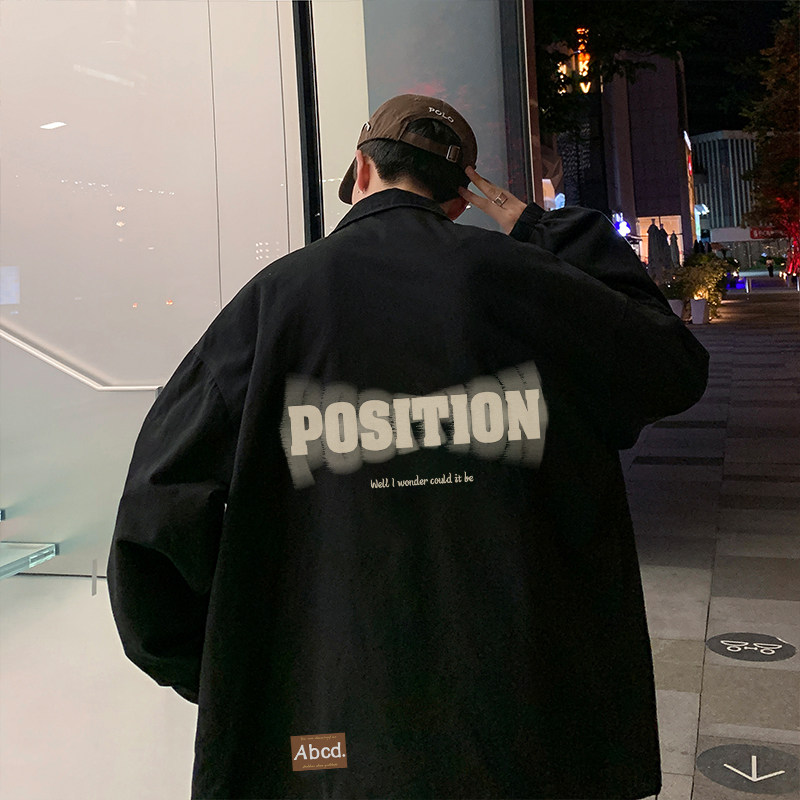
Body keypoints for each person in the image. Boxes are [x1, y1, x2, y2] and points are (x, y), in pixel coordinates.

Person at [108, 94, 709, 800]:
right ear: (458, 202)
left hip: (331, 736)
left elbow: (156, 514)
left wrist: (228, 674)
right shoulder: (530, 283)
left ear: (361, 169)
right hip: (529, 726)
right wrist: (541, 227)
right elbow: (671, 366)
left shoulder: (273, 304)